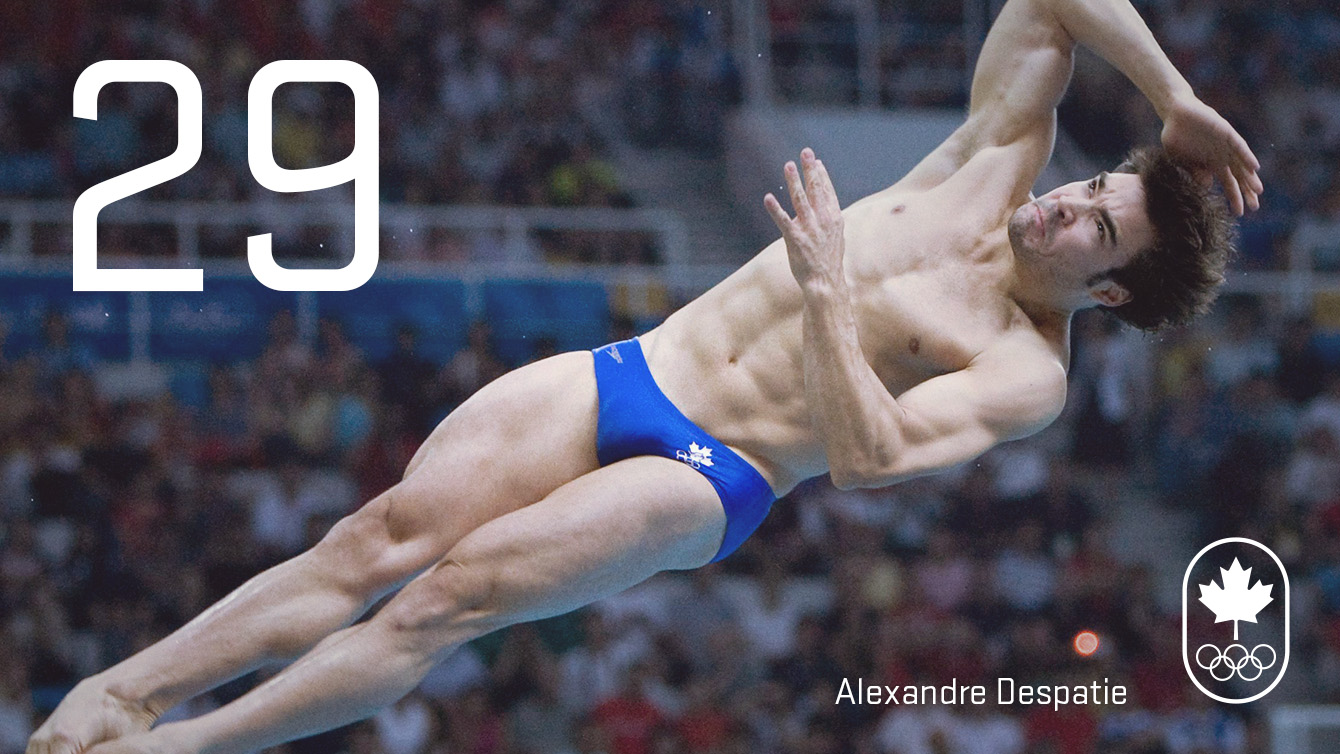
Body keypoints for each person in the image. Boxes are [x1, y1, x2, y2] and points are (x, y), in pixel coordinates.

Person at [28, 0, 1261, 750]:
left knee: (443, 600)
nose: (1062, 210)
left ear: (1104, 293)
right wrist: (1174, 95)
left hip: (711, 472)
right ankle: (119, 691)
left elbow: (874, 459)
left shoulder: (1022, 367)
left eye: (1094, 230)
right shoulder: (991, 167)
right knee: (375, 536)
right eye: (1092, 186)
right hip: (632, 365)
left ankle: (188, 745)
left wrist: (832, 297)